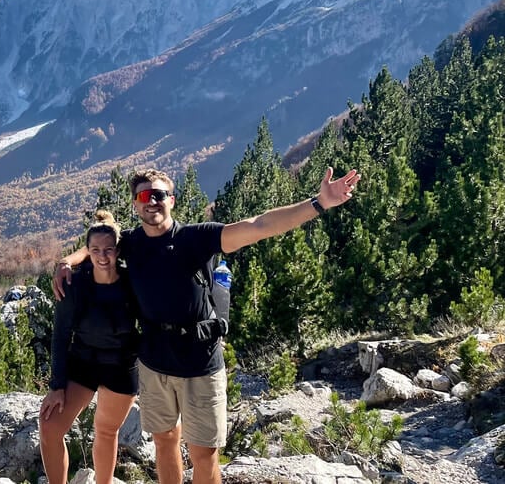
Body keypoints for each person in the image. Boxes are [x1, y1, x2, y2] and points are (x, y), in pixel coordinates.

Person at [54, 166, 360, 484]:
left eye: (158, 195)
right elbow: (100, 243)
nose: (151, 201)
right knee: (164, 442)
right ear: (135, 204)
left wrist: (319, 202)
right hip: (154, 362)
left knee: (202, 454)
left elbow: (259, 225)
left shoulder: (195, 239)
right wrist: (67, 262)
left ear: (171, 200)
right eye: (144, 196)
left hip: (199, 361)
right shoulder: (131, 243)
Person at [40, 211, 140, 484]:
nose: (102, 256)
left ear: (118, 250)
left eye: (108, 249)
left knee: (106, 432)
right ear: (87, 251)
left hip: (121, 367)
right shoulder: (75, 284)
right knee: (49, 427)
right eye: (95, 250)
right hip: (83, 363)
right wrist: (57, 385)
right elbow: (60, 335)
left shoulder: (132, 283)